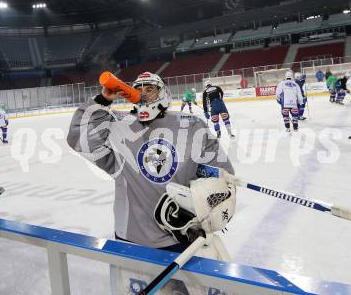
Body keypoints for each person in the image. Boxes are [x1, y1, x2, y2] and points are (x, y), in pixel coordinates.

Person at [67, 72, 235, 294]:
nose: (143, 94)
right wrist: (103, 100)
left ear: (163, 92)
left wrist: (203, 213)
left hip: (186, 241)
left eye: (150, 88)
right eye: (139, 89)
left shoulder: (192, 125)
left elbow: (221, 178)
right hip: (133, 244)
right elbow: (78, 138)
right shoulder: (118, 126)